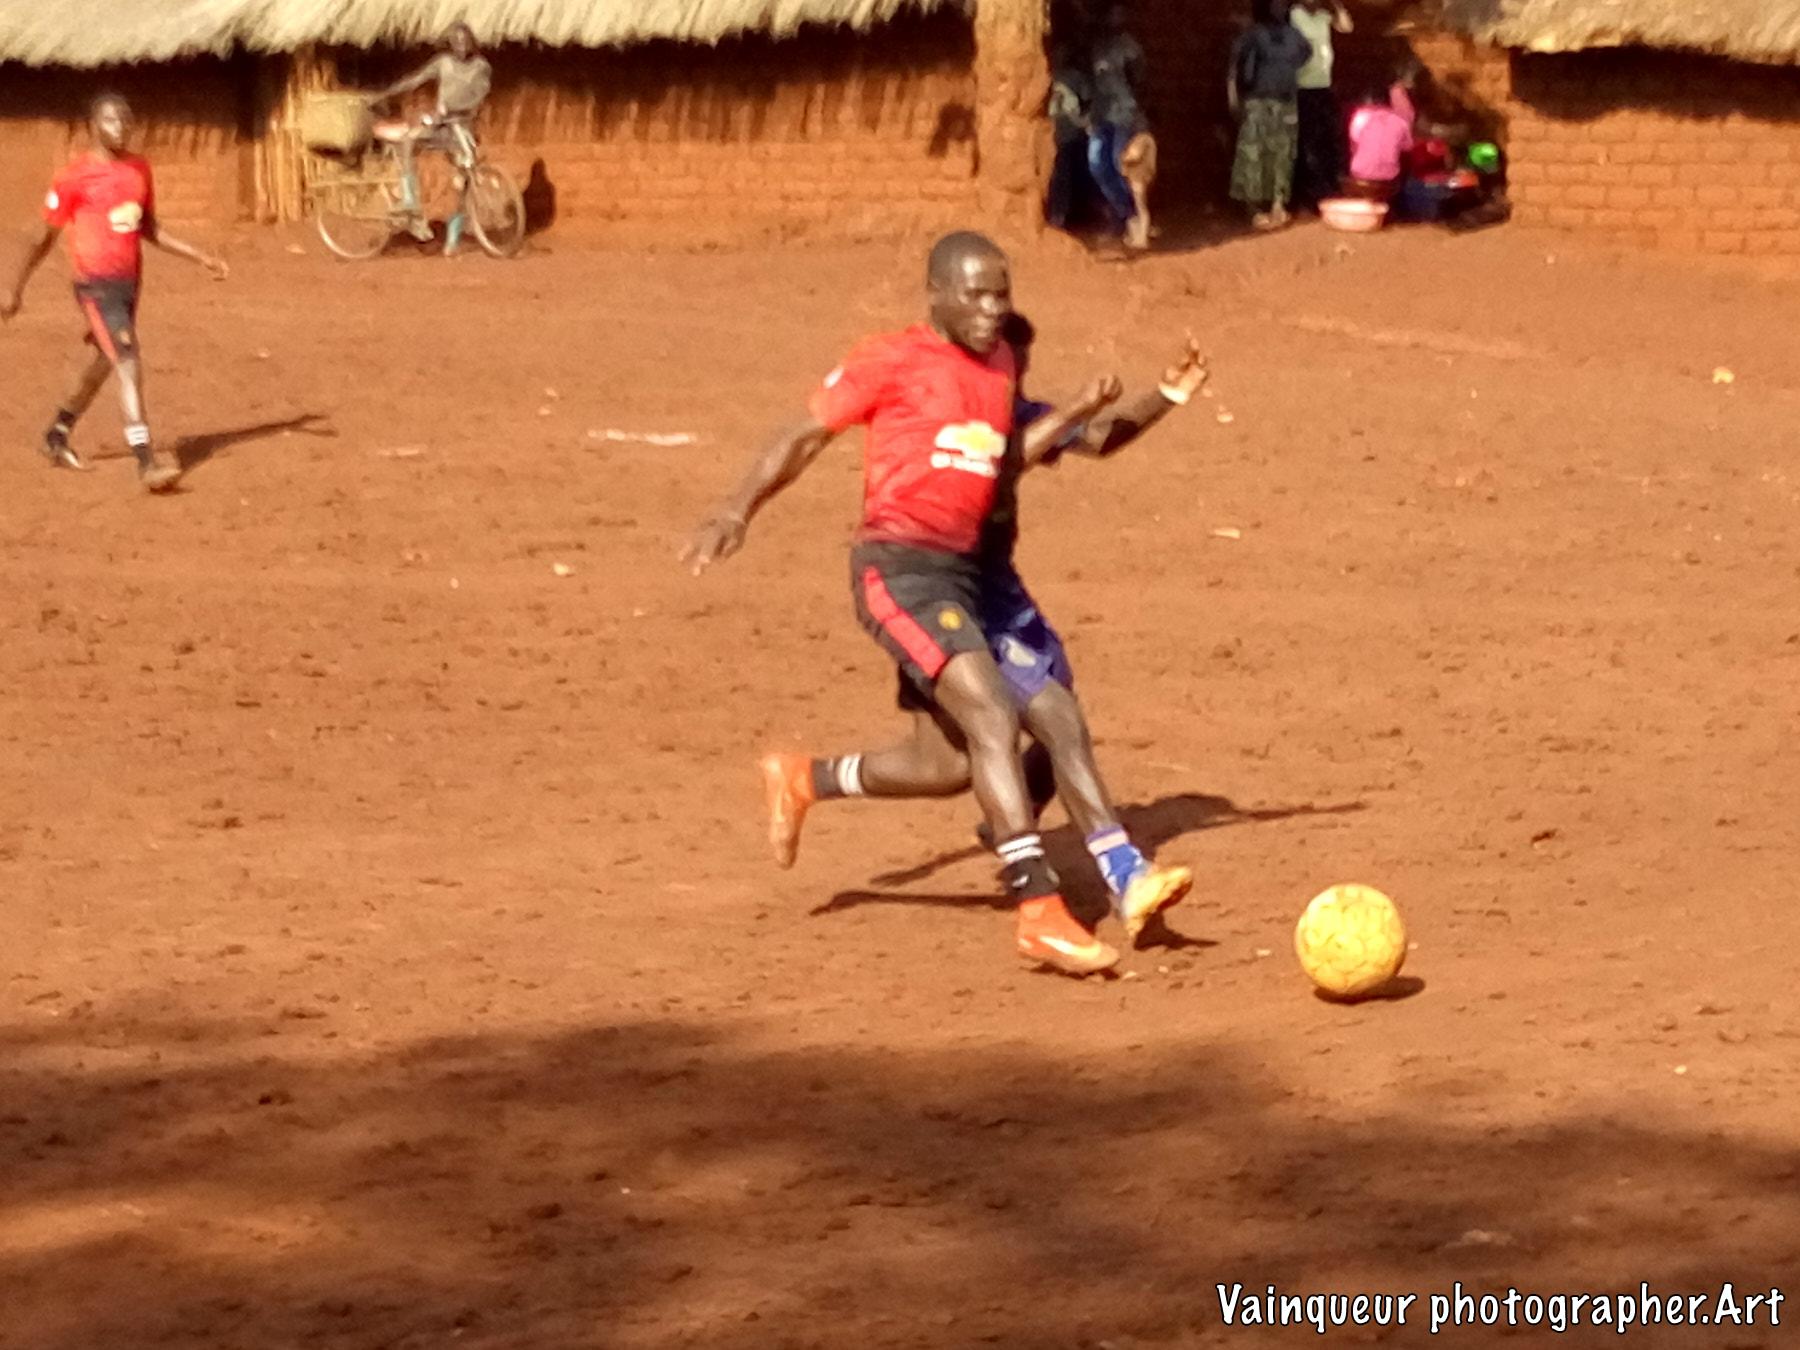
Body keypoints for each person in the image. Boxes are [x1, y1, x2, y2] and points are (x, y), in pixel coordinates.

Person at [683, 233, 1188, 976]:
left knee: (966, 754)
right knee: (991, 712)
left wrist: (1164, 395)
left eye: (1001, 294)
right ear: (937, 295)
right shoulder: (893, 360)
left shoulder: (1003, 366)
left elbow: (1056, 445)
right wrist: (735, 509)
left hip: (973, 580)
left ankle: (807, 778)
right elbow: (803, 434)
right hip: (900, 571)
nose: (991, 309)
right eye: (976, 294)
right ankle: (1038, 908)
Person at [1, 93, 229, 494]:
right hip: (94, 285)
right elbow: (40, 237)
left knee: (102, 360)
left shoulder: (139, 169)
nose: (120, 127)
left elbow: (149, 227)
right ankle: (146, 461)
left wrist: (199, 256)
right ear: (94, 125)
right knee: (126, 358)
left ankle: (57, 433)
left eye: (126, 120)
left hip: (128, 284)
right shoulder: (74, 177)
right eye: (111, 120)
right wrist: (12, 287)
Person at [369, 23, 493, 249]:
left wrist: (454, 109)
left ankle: (453, 238)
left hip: (462, 129)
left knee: (463, 182)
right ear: (450, 44)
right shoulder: (443, 63)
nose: (461, 46)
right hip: (441, 125)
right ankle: (409, 199)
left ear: (472, 42)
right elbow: (415, 80)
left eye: (465, 41)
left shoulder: (481, 67)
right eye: (456, 42)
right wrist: (384, 94)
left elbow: (479, 96)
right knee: (409, 140)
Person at [1228, 0, 1313, 231]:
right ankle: (1255, 209)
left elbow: (1306, 54)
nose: (1280, 8)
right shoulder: (1252, 36)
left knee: (1283, 155)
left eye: (1283, 4)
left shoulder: (1294, 36)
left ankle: (1278, 205)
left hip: (1285, 102)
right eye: (1275, 3)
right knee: (1254, 156)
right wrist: (1234, 101)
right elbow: (1235, 71)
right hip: (1257, 102)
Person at [1087, 5, 1152, 250]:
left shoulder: (1129, 47)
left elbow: (1139, 80)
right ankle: (1125, 210)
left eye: (1118, 15)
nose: (1114, 19)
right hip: (1101, 113)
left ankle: (1131, 217)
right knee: (1096, 164)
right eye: (1110, 14)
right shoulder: (1096, 48)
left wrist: (1135, 111)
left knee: (1120, 163)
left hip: (1124, 113)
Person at [1288, 0, 1354, 210]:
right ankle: (1309, 193)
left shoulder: (1323, 16)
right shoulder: (1295, 15)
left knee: (1325, 137)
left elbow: (1347, 27)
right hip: (1303, 86)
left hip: (1323, 85)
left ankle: (1324, 188)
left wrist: (1337, 5)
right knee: (1308, 140)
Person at [1045, 43, 1094, 232]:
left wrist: (1084, 121)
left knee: (1070, 175)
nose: (1060, 57)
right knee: (1058, 175)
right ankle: (1057, 214)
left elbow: (1088, 100)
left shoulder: (1075, 77)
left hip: (1071, 134)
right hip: (1053, 135)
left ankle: (1066, 214)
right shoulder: (1046, 76)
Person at [1346, 75, 1416, 201]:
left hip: (1361, 174)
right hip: (1389, 178)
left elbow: (1354, 141)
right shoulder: (1400, 122)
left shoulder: (1361, 116)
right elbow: (1408, 147)